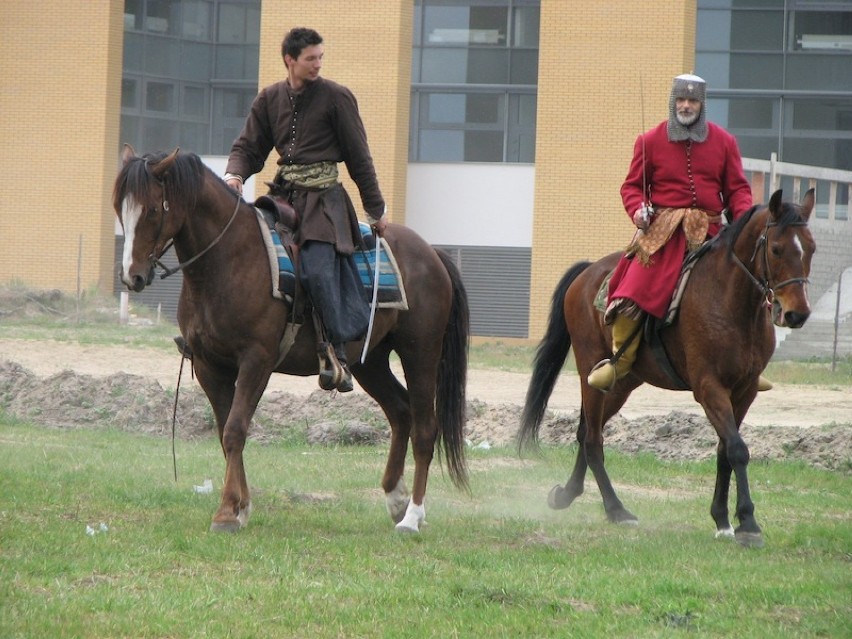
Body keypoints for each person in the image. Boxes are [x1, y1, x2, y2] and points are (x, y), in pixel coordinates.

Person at [224, 27, 388, 393]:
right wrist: (235, 175)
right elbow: (249, 148)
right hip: (283, 198)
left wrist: (375, 211)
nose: (317, 64)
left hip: (325, 205)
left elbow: (360, 159)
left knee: (315, 266)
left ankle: (336, 354)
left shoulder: (337, 98)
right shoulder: (269, 99)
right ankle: (215, 340)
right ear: (290, 61)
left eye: (320, 58)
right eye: (311, 58)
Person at [587, 73, 773, 393]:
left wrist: (744, 225)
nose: (686, 105)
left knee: (753, 289)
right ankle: (620, 360)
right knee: (633, 291)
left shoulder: (725, 142)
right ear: (673, 103)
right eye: (681, 100)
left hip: (714, 232)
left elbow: (738, 192)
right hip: (663, 234)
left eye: (693, 100)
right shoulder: (649, 141)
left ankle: (750, 365)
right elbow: (632, 187)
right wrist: (638, 210)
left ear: (702, 104)